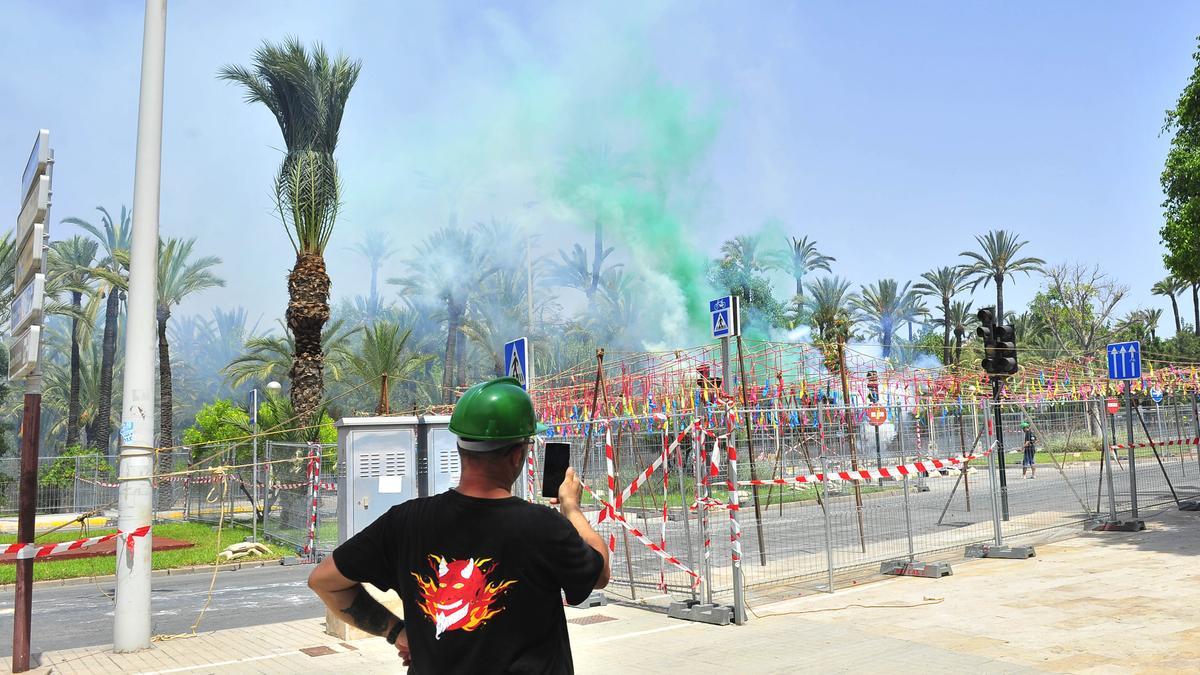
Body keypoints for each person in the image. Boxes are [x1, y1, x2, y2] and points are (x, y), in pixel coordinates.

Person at [308, 377, 611, 673]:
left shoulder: (404, 521)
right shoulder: (542, 526)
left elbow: (324, 581)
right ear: (518, 454)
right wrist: (572, 508)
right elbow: (599, 573)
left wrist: (396, 631)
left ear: (460, 447)